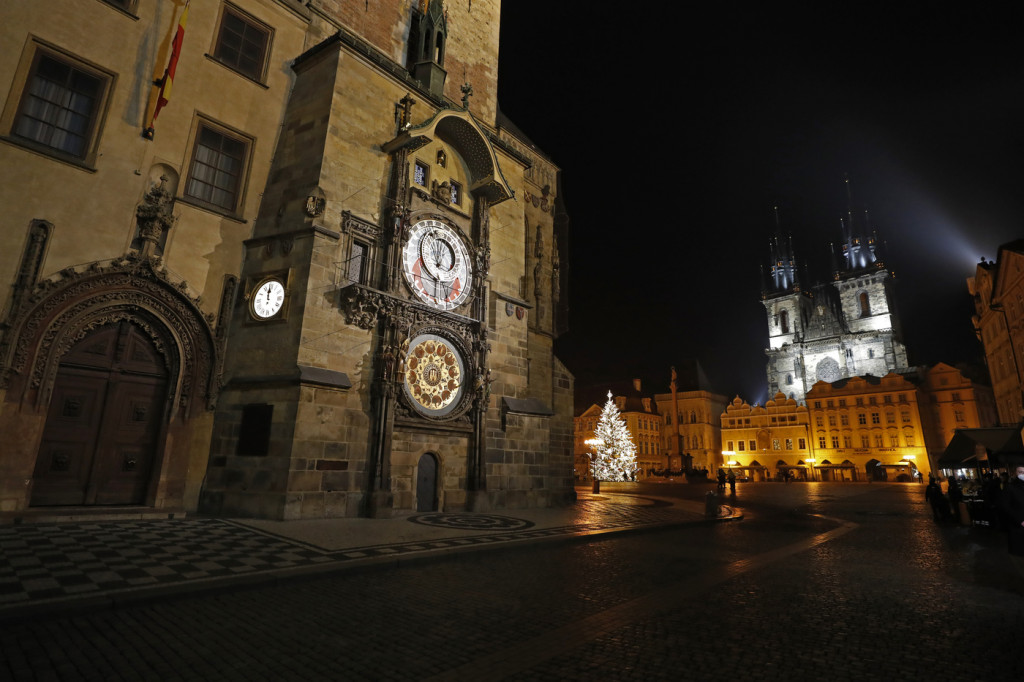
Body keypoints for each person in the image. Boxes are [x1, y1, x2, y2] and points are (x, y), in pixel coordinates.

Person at [997, 464, 1024, 558]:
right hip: (1019, 526)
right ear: (1015, 473)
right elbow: (1005, 506)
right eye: (1020, 472)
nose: (1023, 474)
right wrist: (1020, 520)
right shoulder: (1010, 487)